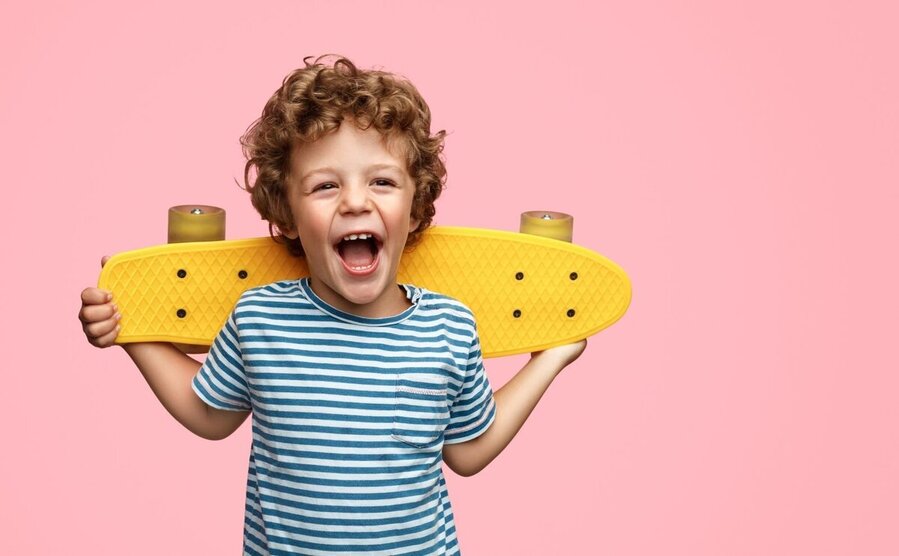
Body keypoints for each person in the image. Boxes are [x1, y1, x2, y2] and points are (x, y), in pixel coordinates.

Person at [78, 55, 586, 555]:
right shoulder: (260, 318)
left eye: (382, 181)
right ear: (287, 215)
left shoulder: (449, 326)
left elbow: (468, 450)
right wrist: (130, 327)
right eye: (325, 186)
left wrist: (551, 359)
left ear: (415, 209)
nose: (356, 202)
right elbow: (209, 415)